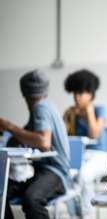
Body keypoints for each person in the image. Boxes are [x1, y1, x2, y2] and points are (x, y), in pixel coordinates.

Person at [0, 70, 70, 219]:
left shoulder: (41, 108)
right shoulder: (46, 107)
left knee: (32, 199)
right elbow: (20, 138)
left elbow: (43, 142)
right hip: (43, 173)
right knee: (2, 189)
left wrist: (9, 126)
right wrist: (16, 133)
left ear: (24, 93)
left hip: (56, 173)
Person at [63, 69, 107, 218]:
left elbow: (94, 134)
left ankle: (85, 215)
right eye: (74, 93)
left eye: (81, 93)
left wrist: (89, 111)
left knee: (84, 174)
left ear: (90, 93)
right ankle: (75, 215)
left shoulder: (99, 110)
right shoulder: (71, 113)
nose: (76, 97)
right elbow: (64, 138)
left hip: (100, 156)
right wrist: (67, 118)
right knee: (64, 176)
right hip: (80, 156)